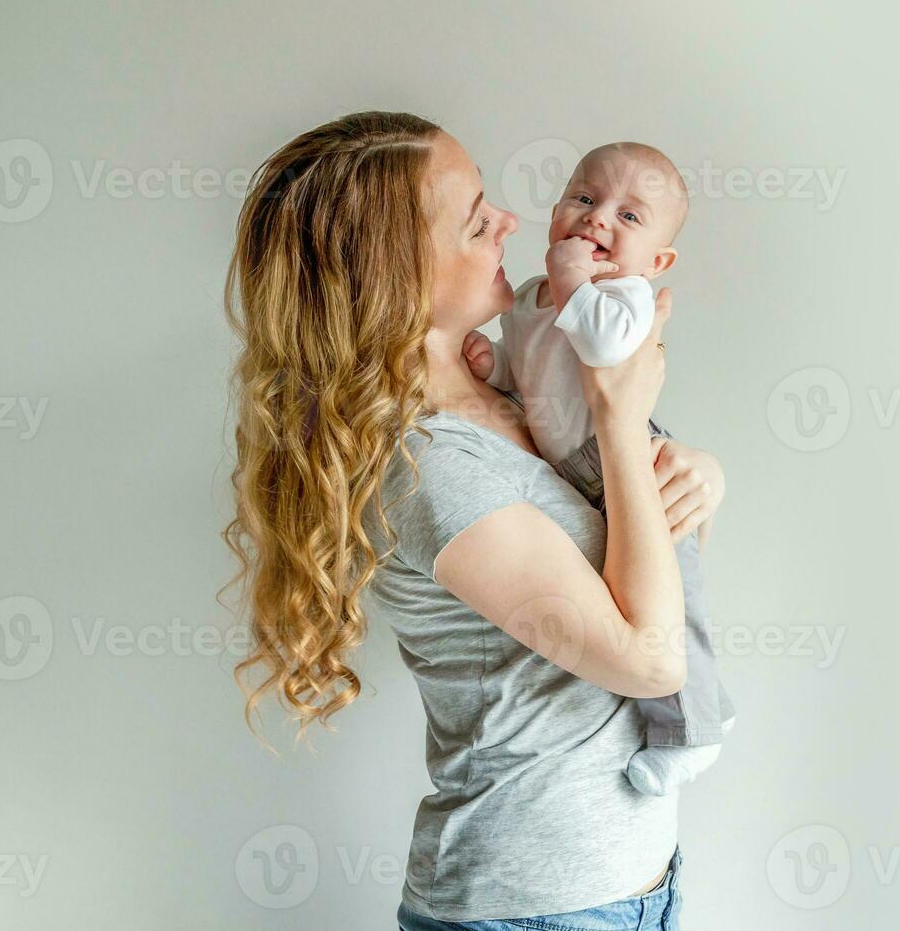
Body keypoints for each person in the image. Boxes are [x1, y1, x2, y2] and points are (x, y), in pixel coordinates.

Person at [222, 111, 728, 929]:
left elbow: (622, 532)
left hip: (617, 890)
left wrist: (694, 473)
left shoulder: (501, 395)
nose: (510, 222)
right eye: (477, 214)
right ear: (397, 269)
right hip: (535, 911)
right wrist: (621, 416)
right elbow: (651, 661)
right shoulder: (431, 467)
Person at [463, 141, 736, 797]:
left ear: (658, 261)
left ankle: (697, 729)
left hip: (628, 455)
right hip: (579, 462)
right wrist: (494, 367)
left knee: (676, 599)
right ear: (556, 211)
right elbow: (531, 371)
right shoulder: (532, 298)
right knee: (630, 602)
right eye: (583, 200)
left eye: (629, 217)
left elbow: (606, 348)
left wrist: (572, 283)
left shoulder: (626, 297)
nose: (597, 220)